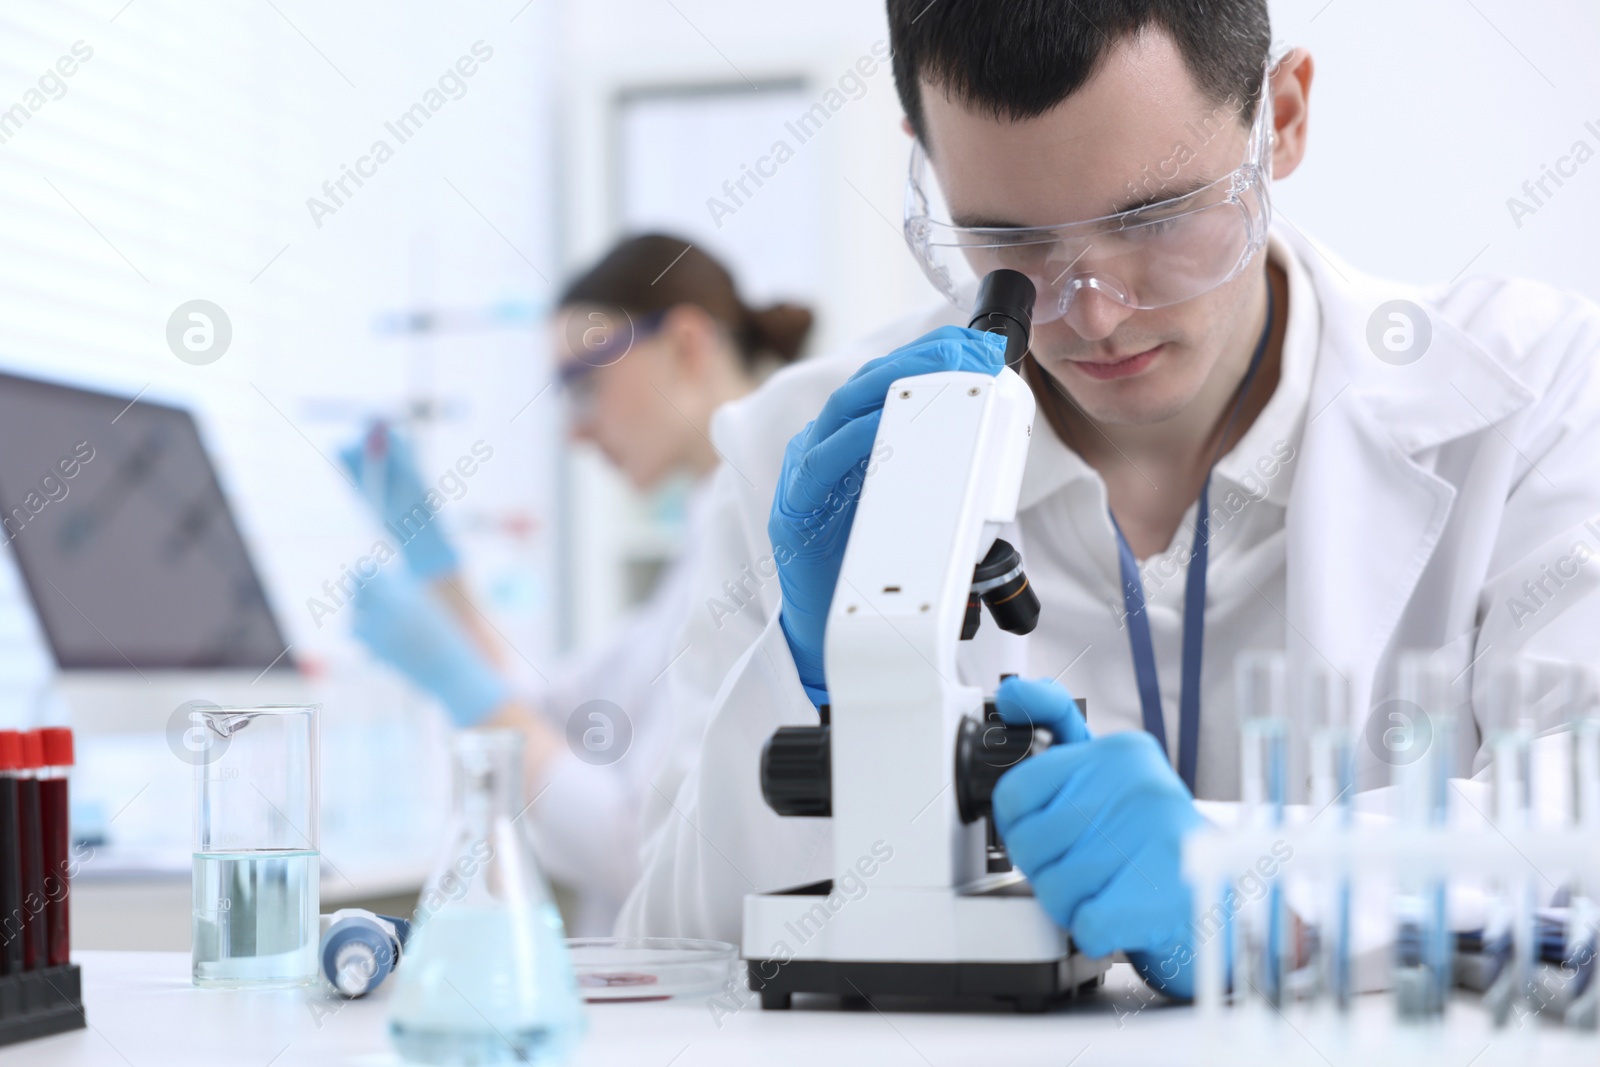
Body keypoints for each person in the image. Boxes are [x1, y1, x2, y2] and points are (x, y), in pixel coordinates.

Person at [613, 0, 1600, 999]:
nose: (1092, 310)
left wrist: (1258, 886)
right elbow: (665, 954)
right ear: (926, 160)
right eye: (1009, 238)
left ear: (1284, 117)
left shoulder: (1531, 397)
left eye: (1155, 217)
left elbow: (1582, 827)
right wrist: (819, 675)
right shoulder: (811, 450)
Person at [343, 235, 813, 933]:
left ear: (686, 346)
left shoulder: (772, 538)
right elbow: (542, 713)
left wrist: (457, 680)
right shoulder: (706, 538)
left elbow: (639, 849)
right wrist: (435, 568)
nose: (575, 430)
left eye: (584, 382)